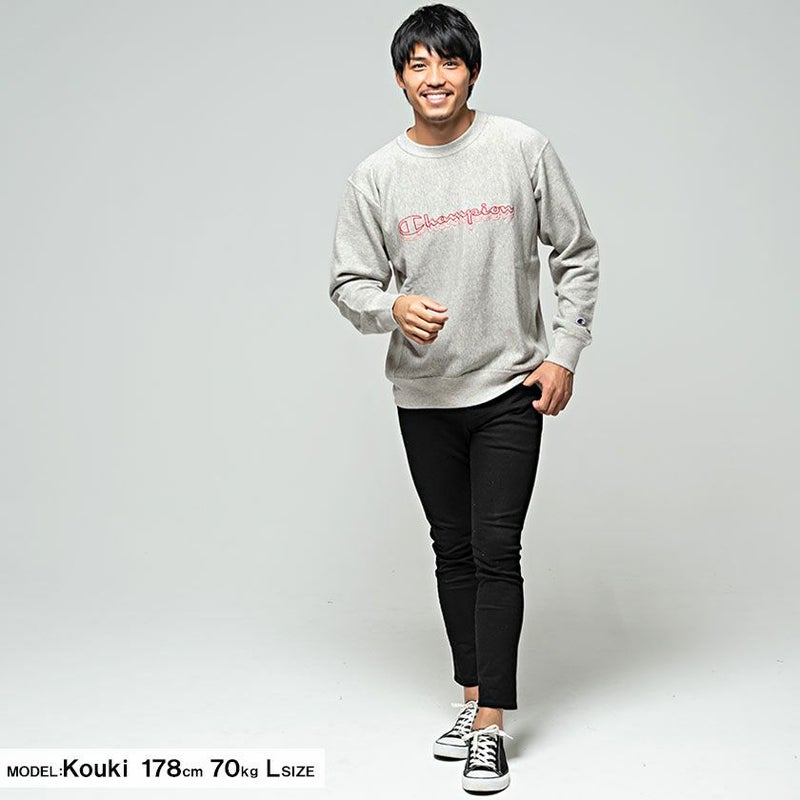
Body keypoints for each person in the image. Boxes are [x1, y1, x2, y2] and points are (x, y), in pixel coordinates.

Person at [328, 3, 600, 793]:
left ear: (472, 71)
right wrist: (391, 307)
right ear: (400, 79)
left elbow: (577, 253)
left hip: (511, 385)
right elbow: (348, 282)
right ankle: (474, 695)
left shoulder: (520, 149)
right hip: (424, 395)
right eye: (418, 65)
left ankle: (491, 728)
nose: (434, 78)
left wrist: (565, 353)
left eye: (448, 63)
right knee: (451, 550)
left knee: (494, 549)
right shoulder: (376, 176)